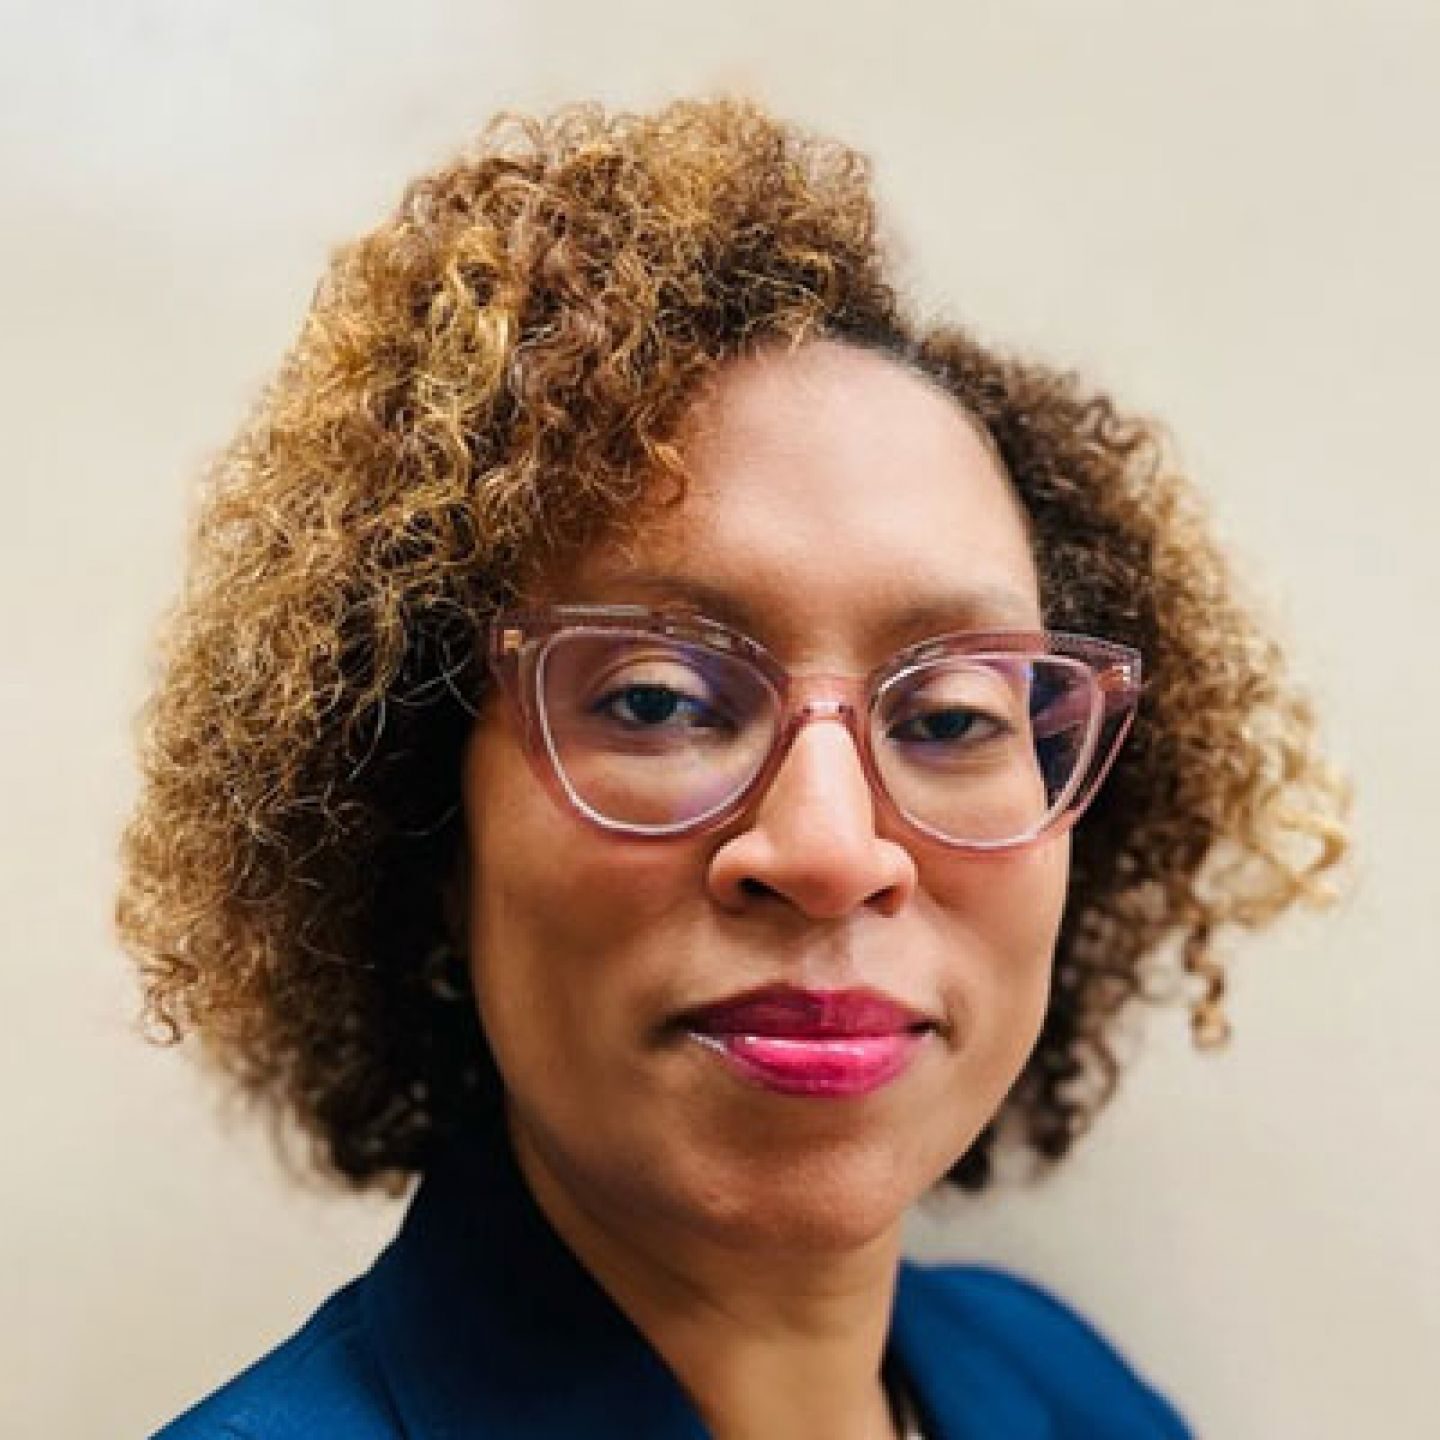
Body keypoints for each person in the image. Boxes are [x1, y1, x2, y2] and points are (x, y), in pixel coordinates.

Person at [117, 98, 1347, 1439]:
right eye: (658, 698)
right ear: (423, 827)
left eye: (949, 718)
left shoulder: (1063, 1388)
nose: (828, 852)